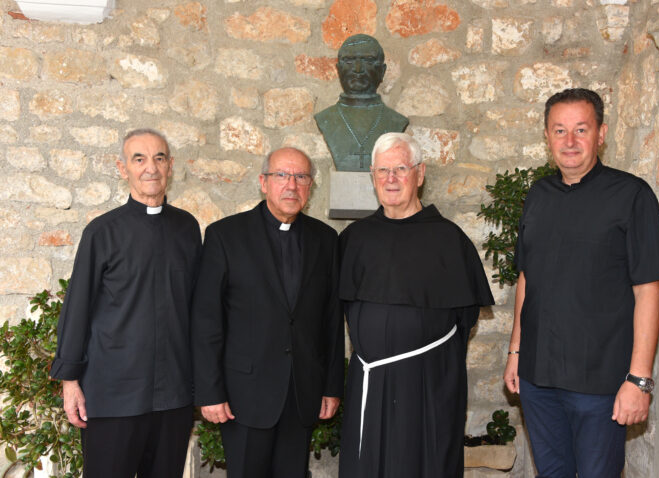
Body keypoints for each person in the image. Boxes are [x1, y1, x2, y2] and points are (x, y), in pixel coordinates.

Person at [503, 88, 659, 478]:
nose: (570, 141)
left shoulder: (632, 195)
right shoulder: (538, 196)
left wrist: (639, 380)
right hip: (538, 379)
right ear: (547, 137)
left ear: (601, 134)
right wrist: (515, 352)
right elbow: (526, 277)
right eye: (559, 130)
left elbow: (648, 289)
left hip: (601, 385)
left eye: (581, 129)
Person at [338, 132, 495, 478]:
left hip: (427, 383)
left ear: (420, 174)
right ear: (373, 177)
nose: (391, 179)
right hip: (370, 380)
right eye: (383, 171)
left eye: (400, 169)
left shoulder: (449, 240)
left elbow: (463, 320)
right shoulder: (354, 238)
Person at [50, 129, 201, 478]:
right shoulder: (102, 232)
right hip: (113, 395)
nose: (151, 168)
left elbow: (197, 309)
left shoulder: (187, 228)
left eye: (159, 158)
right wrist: (69, 381)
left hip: (173, 396)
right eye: (139, 159)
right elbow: (78, 308)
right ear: (123, 168)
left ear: (171, 166)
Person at [191, 147, 344, 478]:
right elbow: (207, 320)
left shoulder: (326, 240)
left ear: (310, 186)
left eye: (301, 177)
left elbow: (331, 320)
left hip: (302, 392)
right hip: (243, 396)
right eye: (282, 176)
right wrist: (209, 392)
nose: (292, 185)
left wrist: (331, 385)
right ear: (263, 182)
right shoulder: (225, 236)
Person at [314, 34, 408, 172]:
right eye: (349, 60)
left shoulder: (396, 121)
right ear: (339, 69)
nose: (358, 69)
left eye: (368, 60)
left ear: (382, 71)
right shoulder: (325, 119)